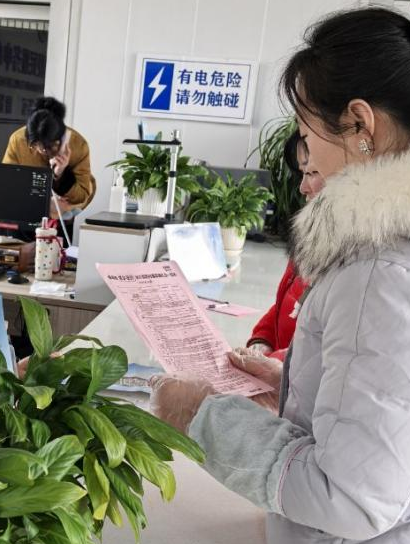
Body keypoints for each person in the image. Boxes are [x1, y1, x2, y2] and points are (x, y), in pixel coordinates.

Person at [151, 7, 410, 543]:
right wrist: (295, 381)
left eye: (307, 135)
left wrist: (200, 416)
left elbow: (351, 500)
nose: (304, 161)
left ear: (360, 126)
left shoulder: (377, 270)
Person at [235, 131, 325, 367]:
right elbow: (287, 303)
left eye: (312, 172)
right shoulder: (312, 234)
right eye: (302, 173)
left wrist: (272, 362)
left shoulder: (358, 252)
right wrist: (262, 340)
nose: (303, 187)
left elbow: (323, 350)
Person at [3, 97, 96, 237]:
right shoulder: (18, 140)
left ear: (61, 138)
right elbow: (7, 185)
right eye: (35, 145)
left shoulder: (78, 144)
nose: (41, 150)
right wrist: (44, 202)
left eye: (47, 146)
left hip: (61, 218)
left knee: (56, 247)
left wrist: (61, 174)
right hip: (25, 214)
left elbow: (82, 196)